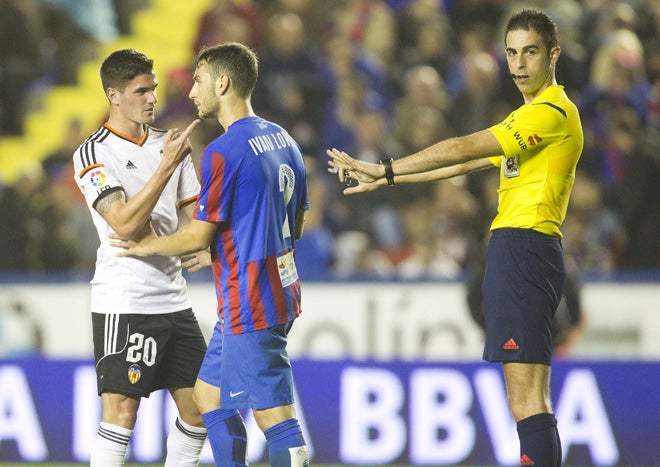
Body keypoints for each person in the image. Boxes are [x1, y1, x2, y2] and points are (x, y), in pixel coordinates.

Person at [327, 9, 583, 467]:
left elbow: (464, 147)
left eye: (530, 52)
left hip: (524, 248)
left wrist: (385, 166)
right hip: (526, 250)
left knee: (526, 401)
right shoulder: (529, 117)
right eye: (511, 52)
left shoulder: (550, 112)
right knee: (530, 400)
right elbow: (461, 166)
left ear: (554, 55)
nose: (519, 63)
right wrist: (385, 179)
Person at [111, 42, 310, 467]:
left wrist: (146, 245)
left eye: (198, 81)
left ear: (222, 82)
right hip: (274, 287)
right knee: (207, 398)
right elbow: (298, 218)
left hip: (251, 296)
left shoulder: (225, 149)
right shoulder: (283, 138)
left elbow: (196, 236)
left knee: (274, 414)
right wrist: (227, 250)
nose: (191, 93)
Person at [72, 49, 209, 467]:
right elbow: (125, 225)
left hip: (175, 300)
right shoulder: (93, 153)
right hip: (125, 300)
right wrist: (165, 167)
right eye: (141, 90)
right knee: (122, 414)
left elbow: (197, 216)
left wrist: (204, 244)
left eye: (154, 89)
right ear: (114, 95)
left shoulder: (169, 145)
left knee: (200, 409)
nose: (152, 98)